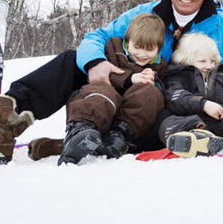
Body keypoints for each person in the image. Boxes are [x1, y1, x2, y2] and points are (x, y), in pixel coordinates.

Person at [0, 0, 223, 163]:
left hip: (168, 99)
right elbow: (96, 37)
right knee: (71, 60)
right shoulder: (145, 13)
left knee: (155, 112)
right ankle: (2, 128)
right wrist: (97, 64)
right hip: (121, 81)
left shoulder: (221, 26)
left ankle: (86, 140)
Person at [57, 13, 168, 164]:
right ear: (128, 41)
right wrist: (130, 78)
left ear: (159, 48)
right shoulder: (113, 48)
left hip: (126, 120)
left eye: (149, 50)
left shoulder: (159, 65)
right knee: (103, 91)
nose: (141, 55)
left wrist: (153, 81)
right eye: (137, 47)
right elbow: (103, 74)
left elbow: (161, 91)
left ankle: (119, 135)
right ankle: (81, 131)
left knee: (150, 92)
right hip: (102, 105)